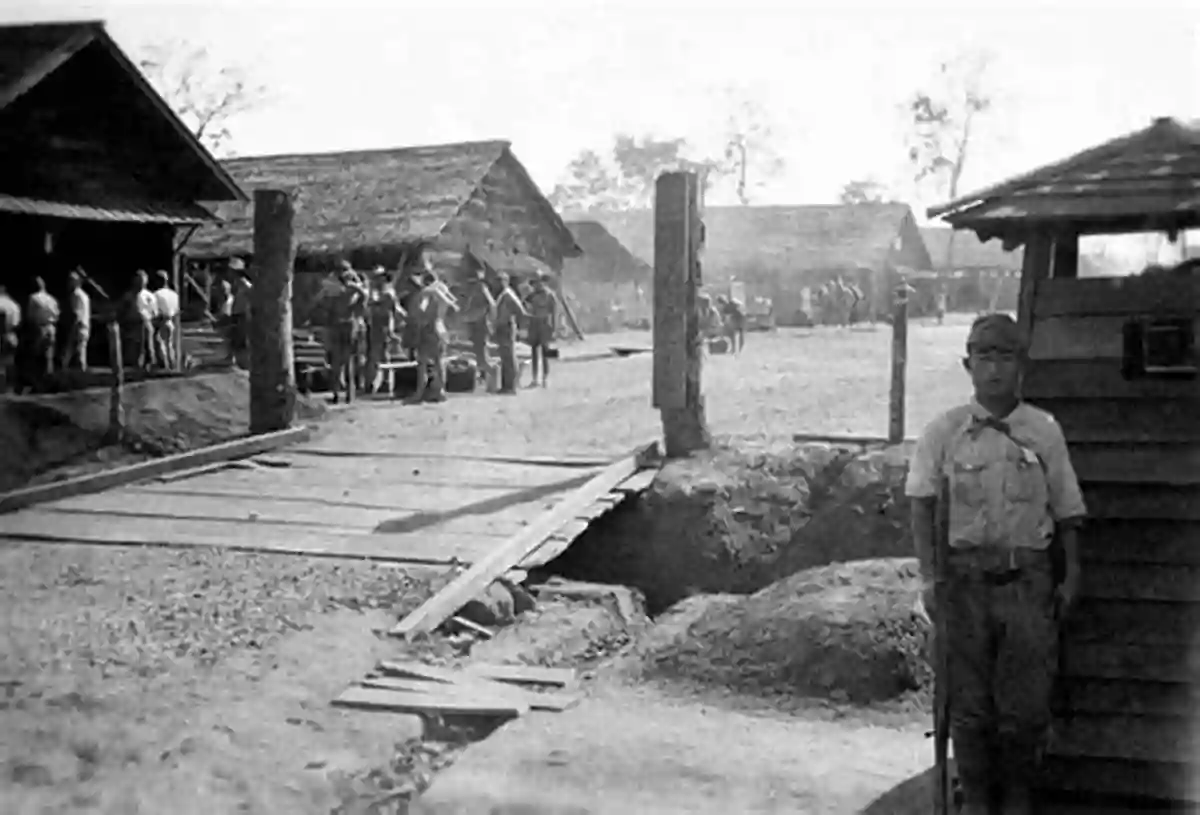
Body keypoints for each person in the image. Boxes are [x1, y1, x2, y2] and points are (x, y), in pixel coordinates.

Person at [905, 313, 1086, 815]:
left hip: (1028, 585)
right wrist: (929, 579)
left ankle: (1018, 803)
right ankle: (978, 803)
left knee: (1023, 713)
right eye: (984, 357)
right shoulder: (944, 433)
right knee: (968, 710)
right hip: (964, 586)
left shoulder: (1043, 431)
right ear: (968, 366)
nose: (994, 370)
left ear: (1022, 366)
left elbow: (1069, 511)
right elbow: (920, 502)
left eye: (1005, 357)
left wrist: (1072, 575)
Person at [406, 264, 458, 404]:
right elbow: (453, 304)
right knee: (439, 361)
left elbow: (422, 308)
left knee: (422, 363)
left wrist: (416, 317)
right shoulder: (442, 289)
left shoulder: (426, 292)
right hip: (441, 326)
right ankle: (440, 391)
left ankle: (419, 393)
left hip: (428, 328)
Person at [324, 264, 369, 404]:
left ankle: (345, 392)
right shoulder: (343, 290)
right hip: (344, 324)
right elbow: (364, 296)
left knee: (344, 360)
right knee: (342, 360)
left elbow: (364, 297)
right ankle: (343, 392)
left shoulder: (342, 289)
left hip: (345, 325)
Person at [363, 268, 405, 395]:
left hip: (382, 326)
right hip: (374, 326)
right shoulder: (378, 291)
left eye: (378, 277)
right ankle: (374, 382)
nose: (375, 279)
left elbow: (393, 310)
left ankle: (380, 383)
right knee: (377, 356)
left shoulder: (387, 293)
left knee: (378, 356)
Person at [492, 271, 527, 394]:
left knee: (509, 357)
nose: (498, 283)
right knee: (504, 357)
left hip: (507, 327)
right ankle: (506, 385)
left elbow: (520, 311)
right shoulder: (502, 295)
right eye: (497, 280)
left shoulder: (508, 295)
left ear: (506, 281)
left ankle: (511, 386)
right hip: (502, 327)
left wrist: (521, 327)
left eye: (501, 280)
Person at [461, 267, 496, 385]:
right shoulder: (474, 289)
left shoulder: (481, 287)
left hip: (481, 325)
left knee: (482, 355)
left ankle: (494, 377)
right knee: (478, 353)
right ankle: (485, 378)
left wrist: (487, 319)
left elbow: (491, 305)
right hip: (475, 325)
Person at [525, 273, 557, 388]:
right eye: (534, 283)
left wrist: (553, 328)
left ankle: (545, 378)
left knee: (545, 353)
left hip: (545, 324)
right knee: (534, 352)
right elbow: (525, 307)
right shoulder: (531, 296)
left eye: (537, 282)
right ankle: (534, 379)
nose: (535, 285)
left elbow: (553, 312)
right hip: (534, 324)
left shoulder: (549, 295)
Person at [27, 276, 60, 384]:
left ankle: (38, 380)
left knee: (37, 355)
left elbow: (30, 316)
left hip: (40, 327)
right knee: (49, 356)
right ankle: (49, 379)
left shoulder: (33, 298)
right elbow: (57, 314)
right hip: (52, 326)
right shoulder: (52, 298)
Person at [61, 270, 91, 372]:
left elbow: (76, 314)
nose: (68, 283)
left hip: (78, 327)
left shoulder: (75, 294)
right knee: (81, 352)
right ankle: (82, 374)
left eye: (70, 281)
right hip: (86, 326)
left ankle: (68, 375)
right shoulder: (85, 295)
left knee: (71, 354)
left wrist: (71, 331)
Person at [154, 270, 180, 370]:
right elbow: (177, 310)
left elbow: (154, 310)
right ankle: (172, 362)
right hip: (171, 321)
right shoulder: (174, 294)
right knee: (169, 343)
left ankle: (165, 364)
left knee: (160, 342)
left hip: (161, 321)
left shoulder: (156, 294)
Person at [0, 284, 21, 393]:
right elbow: (16, 324)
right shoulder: (14, 305)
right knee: (10, 362)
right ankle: (10, 388)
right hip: (11, 336)